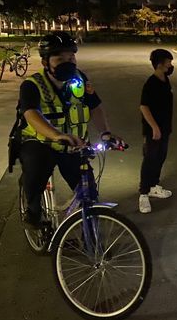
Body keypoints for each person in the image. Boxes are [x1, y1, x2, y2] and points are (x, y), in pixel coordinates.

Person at [18, 31, 120, 228]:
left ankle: (90, 242)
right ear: (46, 62)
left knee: (89, 191)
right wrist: (57, 135)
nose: (68, 62)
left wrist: (105, 132)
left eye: (71, 57)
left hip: (74, 146)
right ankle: (33, 213)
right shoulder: (32, 85)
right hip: (41, 143)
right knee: (35, 172)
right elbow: (31, 113)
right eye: (59, 58)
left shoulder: (80, 80)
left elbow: (96, 107)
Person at [139, 49, 174, 214]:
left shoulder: (165, 79)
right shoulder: (151, 83)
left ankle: (154, 186)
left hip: (165, 127)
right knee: (150, 158)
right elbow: (144, 106)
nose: (170, 65)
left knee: (161, 156)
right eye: (168, 62)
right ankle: (143, 194)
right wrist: (154, 127)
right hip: (154, 129)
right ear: (160, 64)